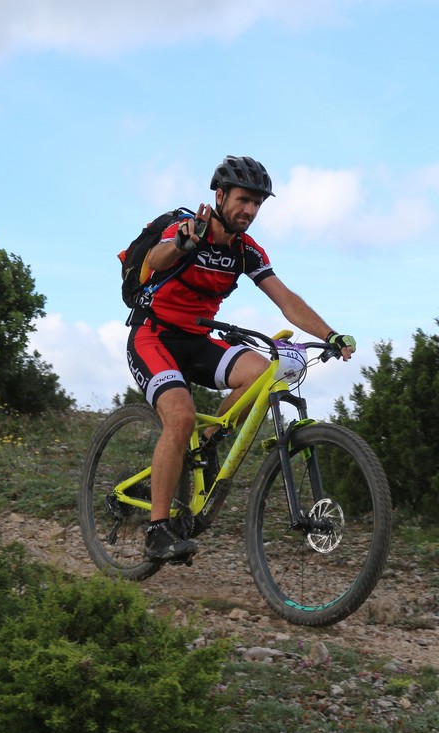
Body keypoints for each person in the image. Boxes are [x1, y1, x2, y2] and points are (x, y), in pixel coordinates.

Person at [125, 155, 357, 561]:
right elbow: (152, 261)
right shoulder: (188, 228)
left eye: (257, 203)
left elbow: (286, 299)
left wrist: (329, 334)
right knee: (180, 416)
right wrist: (182, 244)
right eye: (243, 200)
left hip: (199, 339)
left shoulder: (246, 251)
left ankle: (207, 446)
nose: (250, 210)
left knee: (264, 371)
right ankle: (157, 531)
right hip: (153, 336)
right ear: (220, 196)